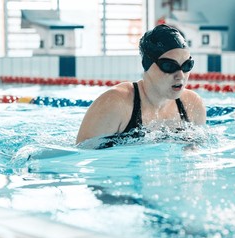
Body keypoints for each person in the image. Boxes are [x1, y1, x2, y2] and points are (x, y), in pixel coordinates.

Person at [76, 24, 206, 148]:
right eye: (169, 66)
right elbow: (83, 156)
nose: (181, 76)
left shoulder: (192, 105)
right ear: (147, 65)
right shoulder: (115, 104)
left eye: (187, 66)